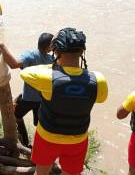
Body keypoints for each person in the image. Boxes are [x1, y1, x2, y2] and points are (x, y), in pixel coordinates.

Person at [20, 27, 108, 175]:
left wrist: (54, 66)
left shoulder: (47, 77)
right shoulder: (98, 79)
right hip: (77, 139)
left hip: (47, 137)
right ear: (81, 52)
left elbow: (24, 73)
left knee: (41, 172)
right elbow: (101, 98)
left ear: (55, 51)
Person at [0, 32, 54, 147]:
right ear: (49, 47)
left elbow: (14, 64)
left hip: (29, 98)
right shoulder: (52, 60)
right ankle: (40, 146)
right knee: (41, 125)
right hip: (44, 99)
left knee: (16, 116)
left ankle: (24, 142)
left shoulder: (31, 55)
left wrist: (2, 47)